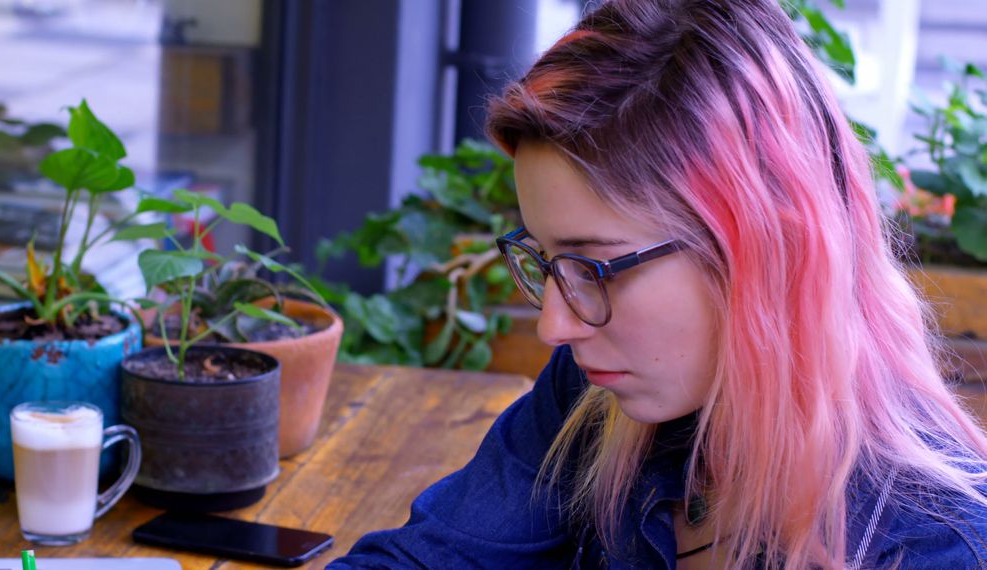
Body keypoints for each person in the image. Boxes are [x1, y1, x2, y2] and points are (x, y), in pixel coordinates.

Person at [327, 0, 987, 567]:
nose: (555, 326)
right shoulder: (597, 398)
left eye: (594, 265)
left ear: (767, 249)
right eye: (549, 260)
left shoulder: (932, 547)